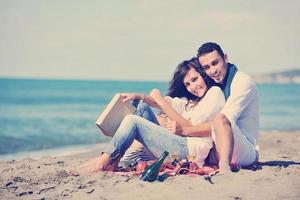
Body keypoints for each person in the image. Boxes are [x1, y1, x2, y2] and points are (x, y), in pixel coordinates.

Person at [76, 58, 225, 174]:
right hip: (178, 144)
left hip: (190, 152)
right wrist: (140, 96)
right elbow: (162, 103)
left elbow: (187, 127)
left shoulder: (214, 93)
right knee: (141, 106)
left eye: (195, 79)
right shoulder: (189, 101)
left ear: (203, 75)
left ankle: (103, 162)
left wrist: (161, 101)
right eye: (187, 84)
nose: (193, 87)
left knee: (132, 121)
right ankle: (114, 159)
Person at [196, 42, 260, 174]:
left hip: (244, 150)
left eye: (215, 63)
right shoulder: (215, 84)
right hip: (216, 144)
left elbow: (224, 122)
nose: (213, 70)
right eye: (207, 67)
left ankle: (224, 166)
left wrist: (186, 129)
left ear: (225, 58)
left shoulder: (242, 81)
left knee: (220, 119)